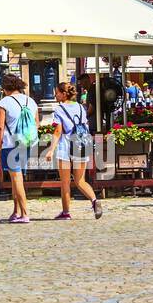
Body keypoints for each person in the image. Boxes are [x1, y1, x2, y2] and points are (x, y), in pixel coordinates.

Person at [49, 82, 103, 220]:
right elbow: (85, 125)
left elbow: (58, 131)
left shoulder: (59, 109)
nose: (55, 95)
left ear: (63, 94)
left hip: (65, 147)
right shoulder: (80, 107)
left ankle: (66, 213)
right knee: (80, 181)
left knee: (65, 182)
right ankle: (95, 201)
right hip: (81, 145)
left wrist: (50, 150)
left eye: (57, 92)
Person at [0, 73, 38, 224]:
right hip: (26, 143)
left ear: (5, 87)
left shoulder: (4, 102)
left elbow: (0, 126)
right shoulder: (31, 101)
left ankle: (25, 213)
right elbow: (36, 124)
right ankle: (16, 211)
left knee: (16, 178)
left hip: (10, 144)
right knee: (16, 179)